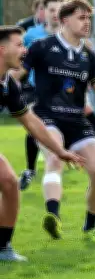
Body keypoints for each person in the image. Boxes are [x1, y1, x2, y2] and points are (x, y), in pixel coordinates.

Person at [16, 0, 95, 243]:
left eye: (89, 19)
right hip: (46, 115)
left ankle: (90, 227)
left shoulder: (90, 56)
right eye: (81, 18)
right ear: (64, 20)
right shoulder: (42, 48)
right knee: (54, 158)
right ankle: (53, 216)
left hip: (77, 120)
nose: (87, 24)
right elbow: (16, 72)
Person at [0, 26, 86, 261]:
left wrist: (60, 151)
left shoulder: (9, 84)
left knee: (9, 183)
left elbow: (31, 122)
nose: (24, 50)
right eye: (19, 45)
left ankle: (3, 247)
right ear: (2, 49)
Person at [18, 0, 67, 190]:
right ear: (43, 12)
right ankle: (34, 168)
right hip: (34, 88)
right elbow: (19, 61)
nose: (55, 14)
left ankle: (48, 165)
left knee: (52, 131)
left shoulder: (69, 35)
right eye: (51, 10)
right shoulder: (31, 35)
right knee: (34, 126)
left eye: (59, 10)